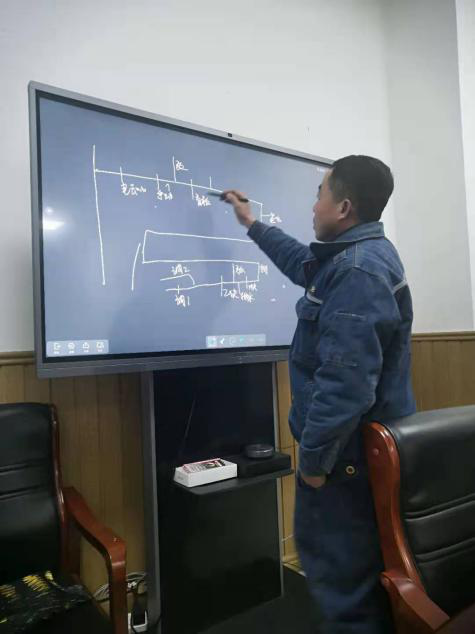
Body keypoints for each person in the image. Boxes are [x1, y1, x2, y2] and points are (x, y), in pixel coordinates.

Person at [222, 155, 416, 634]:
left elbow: (346, 383)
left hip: (344, 463)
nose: (313, 206)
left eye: (319, 195)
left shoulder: (357, 272)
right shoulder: (354, 258)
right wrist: (251, 224)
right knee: (356, 581)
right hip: (353, 456)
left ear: (343, 206)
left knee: (345, 590)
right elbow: (301, 263)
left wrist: (312, 464)